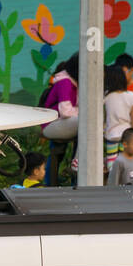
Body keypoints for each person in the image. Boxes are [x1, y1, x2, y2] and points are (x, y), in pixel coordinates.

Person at [40, 53, 78, 186]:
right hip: (52, 124)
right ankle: (77, 162)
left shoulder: (73, 83)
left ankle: (75, 165)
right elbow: (66, 111)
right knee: (86, 123)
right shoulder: (65, 82)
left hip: (61, 122)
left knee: (58, 153)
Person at [103, 64, 133, 171]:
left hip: (111, 135)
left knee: (112, 166)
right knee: (127, 164)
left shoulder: (106, 97)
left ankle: (114, 186)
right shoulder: (131, 96)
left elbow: (104, 118)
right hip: (127, 135)